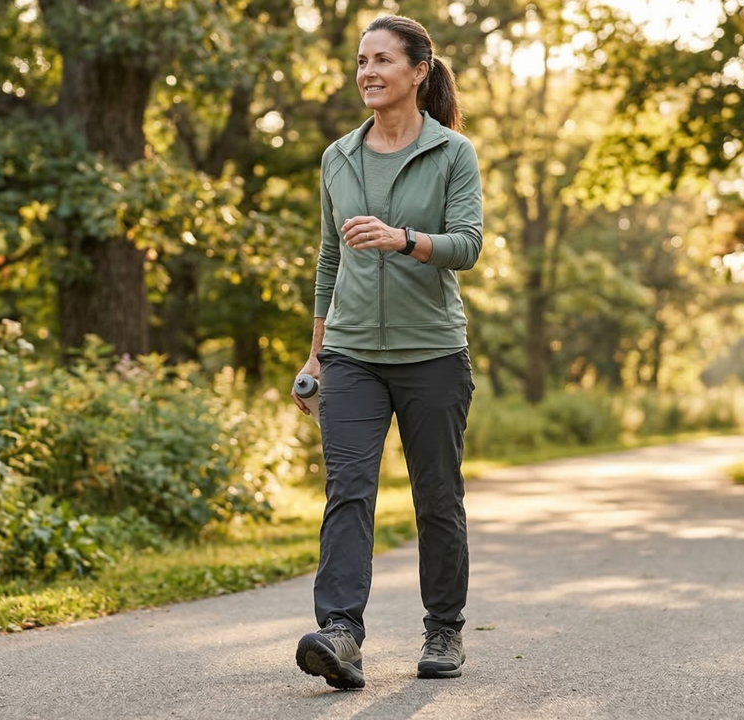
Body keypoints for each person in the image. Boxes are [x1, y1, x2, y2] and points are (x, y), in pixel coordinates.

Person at [291, 14, 483, 690]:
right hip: (350, 355)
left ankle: (444, 631)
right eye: (361, 61)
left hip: (432, 352)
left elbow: (467, 243)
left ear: (418, 71)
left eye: (382, 60)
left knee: (436, 497)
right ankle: (340, 634)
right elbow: (326, 260)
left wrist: (404, 239)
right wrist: (315, 356)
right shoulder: (337, 157)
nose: (367, 71)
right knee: (348, 492)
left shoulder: (452, 153)